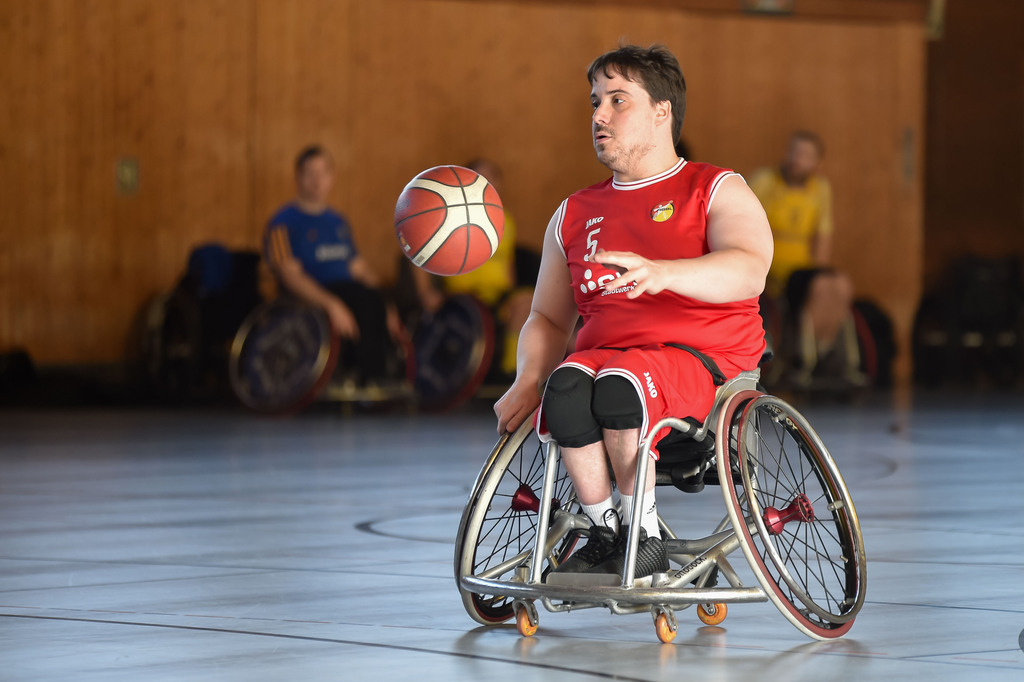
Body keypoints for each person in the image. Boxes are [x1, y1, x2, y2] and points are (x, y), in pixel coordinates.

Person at [494, 45, 772, 583]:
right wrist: (529, 377)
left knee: (621, 386)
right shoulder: (573, 212)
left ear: (662, 111)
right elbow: (549, 320)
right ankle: (606, 532)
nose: (599, 115)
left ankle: (642, 536)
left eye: (618, 100)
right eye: (595, 102)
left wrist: (665, 272)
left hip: (703, 362)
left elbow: (749, 267)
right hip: (607, 360)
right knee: (568, 386)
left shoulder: (716, 188)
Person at [264, 145, 393, 384]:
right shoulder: (283, 223)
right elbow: (289, 276)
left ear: (331, 178)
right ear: (298, 177)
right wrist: (331, 304)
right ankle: (368, 378)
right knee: (362, 302)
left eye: (322, 173)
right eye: (310, 174)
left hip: (350, 290)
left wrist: (387, 304)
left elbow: (359, 269)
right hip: (313, 295)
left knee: (375, 299)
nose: (316, 181)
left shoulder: (337, 222)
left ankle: (383, 377)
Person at [748, 132, 861, 386]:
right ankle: (804, 360)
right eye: (794, 152)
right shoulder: (765, 181)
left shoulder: (820, 189)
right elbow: (747, 225)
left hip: (802, 268)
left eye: (806, 156)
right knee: (820, 286)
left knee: (840, 284)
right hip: (771, 266)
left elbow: (823, 235)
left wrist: (819, 269)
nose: (798, 160)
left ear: (817, 162)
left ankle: (826, 353)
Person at [410, 158, 533, 378]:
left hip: (498, 294)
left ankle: (511, 373)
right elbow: (419, 252)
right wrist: (425, 292)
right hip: (465, 296)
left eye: (491, 179)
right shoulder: (449, 215)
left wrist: (511, 296)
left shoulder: (507, 221)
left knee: (528, 301)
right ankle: (506, 375)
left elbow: (508, 266)